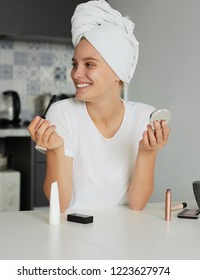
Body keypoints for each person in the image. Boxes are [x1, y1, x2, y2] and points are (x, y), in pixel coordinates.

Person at [28, 0, 170, 212]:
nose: (76, 73)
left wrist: (147, 151)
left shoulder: (144, 116)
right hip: (74, 234)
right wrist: (55, 150)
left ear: (118, 72)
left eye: (89, 64)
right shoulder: (62, 113)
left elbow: (138, 204)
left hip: (126, 235)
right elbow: (60, 205)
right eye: (75, 64)